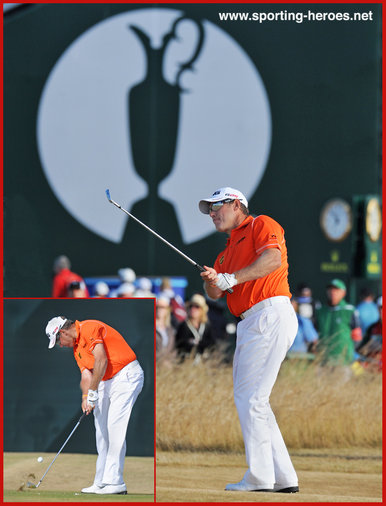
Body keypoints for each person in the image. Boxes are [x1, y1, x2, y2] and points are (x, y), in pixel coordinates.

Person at [198, 187, 299, 493]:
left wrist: (233, 278)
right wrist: (214, 281)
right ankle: (283, 478)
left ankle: (260, 477)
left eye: (219, 207)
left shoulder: (260, 225)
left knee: (251, 398)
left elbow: (272, 259)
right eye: (210, 210)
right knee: (256, 399)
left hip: (269, 313)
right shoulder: (225, 253)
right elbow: (216, 293)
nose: (214, 213)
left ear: (237, 204)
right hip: (250, 322)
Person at [45, 316, 144, 495]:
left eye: (59, 339)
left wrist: (93, 392)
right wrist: (86, 396)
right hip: (106, 380)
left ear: (63, 332)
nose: (60, 344)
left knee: (115, 426)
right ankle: (101, 481)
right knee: (101, 431)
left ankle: (115, 482)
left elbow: (101, 360)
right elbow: (86, 376)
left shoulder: (89, 327)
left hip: (126, 375)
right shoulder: (77, 350)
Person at [315, 279, 362, 366]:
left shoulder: (349, 311)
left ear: (343, 293)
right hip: (323, 360)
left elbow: (357, 337)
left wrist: (348, 352)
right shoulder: (321, 311)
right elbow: (315, 335)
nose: (333, 292)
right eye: (330, 289)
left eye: (336, 289)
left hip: (343, 361)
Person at [175, 293, 216, 360]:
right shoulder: (183, 326)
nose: (193, 309)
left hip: (203, 363)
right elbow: (180, 345)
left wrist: (197, 343)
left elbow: (212, 345)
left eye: (197, 307)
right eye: (191, 306)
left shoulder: (206, 326)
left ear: (202, 310)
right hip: (186, 363)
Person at [356, 295, 382, 372]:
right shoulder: (372, 328)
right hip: (374, 370)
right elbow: (361, 349)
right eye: (381, 308)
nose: (382, 311)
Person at [155, 296, 176, 362]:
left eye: (162, 307)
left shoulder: (170, 330)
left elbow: (172, 349)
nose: (159, 309)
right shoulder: (149, 328)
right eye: (156, 307)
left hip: (167, 367)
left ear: (167, 310)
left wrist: (170, 361)